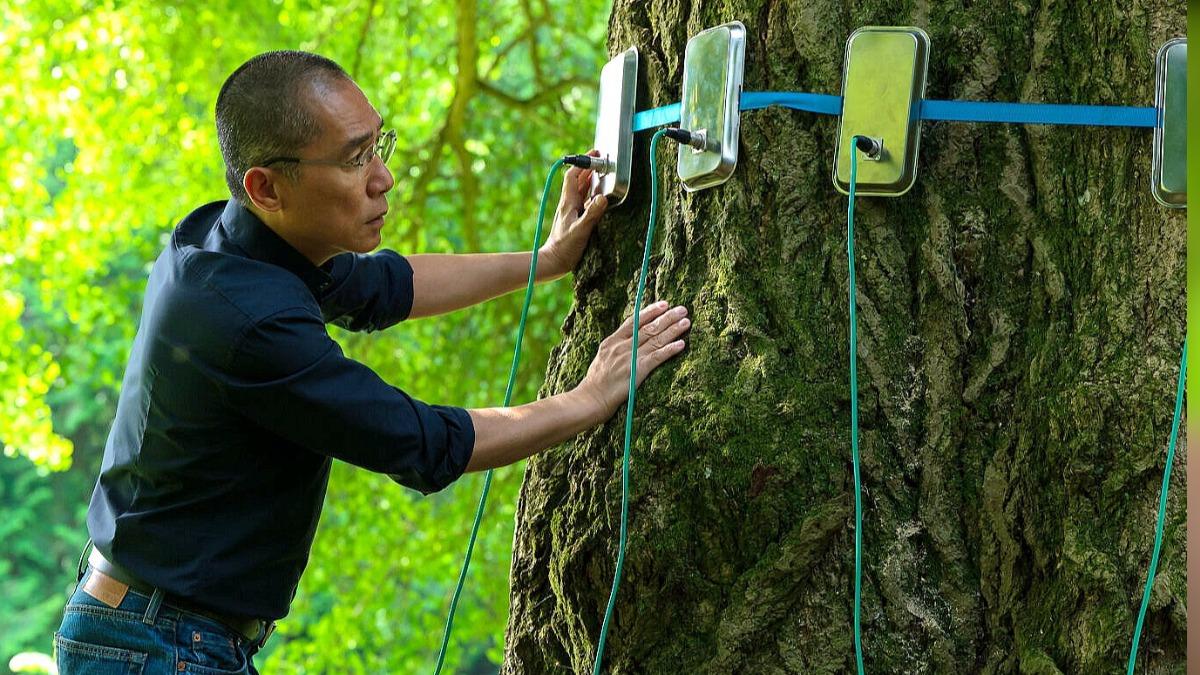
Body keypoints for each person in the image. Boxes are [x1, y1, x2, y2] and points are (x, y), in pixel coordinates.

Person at [54, 50, 690, 674]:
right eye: (355, 159)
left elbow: (387, 287)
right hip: (155, 646)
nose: (382, 177)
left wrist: (544, 263)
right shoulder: (247, 322)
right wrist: (588, 398)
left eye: (379, 145)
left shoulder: (234, 243)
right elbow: (419, 440)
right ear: (266, 187)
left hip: (155, 631)